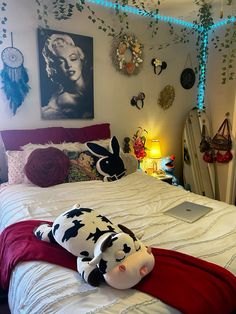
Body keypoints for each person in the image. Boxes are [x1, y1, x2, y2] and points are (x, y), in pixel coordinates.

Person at [41, 33, 94, 119]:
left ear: (81, 60)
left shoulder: (92, 81)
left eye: (73, 58)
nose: (68, 65)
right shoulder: (63, 100)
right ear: (55, 69)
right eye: (61, 62)